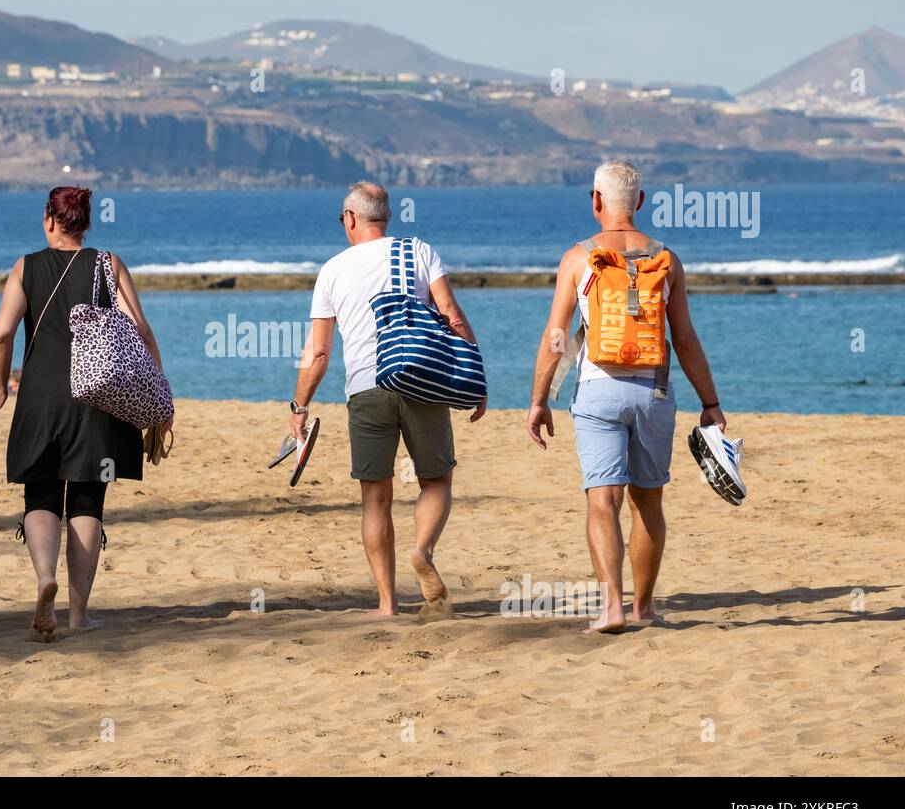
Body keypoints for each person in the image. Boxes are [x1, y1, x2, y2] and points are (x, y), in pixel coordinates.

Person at [526, 160, 727, 633]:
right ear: (639, 202)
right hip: (654, 392)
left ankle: (612, 608)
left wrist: (539, 399)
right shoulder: (666, 259)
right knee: (648, 503)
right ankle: (643, 608)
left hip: (597, 391)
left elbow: (556, 335)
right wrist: (711, 402)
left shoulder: (578, 257)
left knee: (603, 501)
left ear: (595, 201)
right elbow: (686, 340)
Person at [0, 186, 172, 641]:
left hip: (41, 398)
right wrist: (160, 392)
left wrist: (2, 386)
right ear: (86, 222)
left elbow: (2, 333)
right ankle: (79, 614)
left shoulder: (26, 266)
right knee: (87, 500)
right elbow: (140, 329)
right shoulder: (108, 263)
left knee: (40, 495)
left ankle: (45, 576)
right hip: (97, 399)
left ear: (49, 220)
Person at [288, 182, 485, 618]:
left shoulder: (332, 270)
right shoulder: (419, 251)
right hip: (420, 379)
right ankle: (422, 549)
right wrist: (475, 377)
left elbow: (318, 352)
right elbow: (452, 315)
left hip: (365, 388)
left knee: (376, 498)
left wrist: (300, 406)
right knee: (436, 480)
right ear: (387, 217)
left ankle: (387, 603)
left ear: (351, 218)